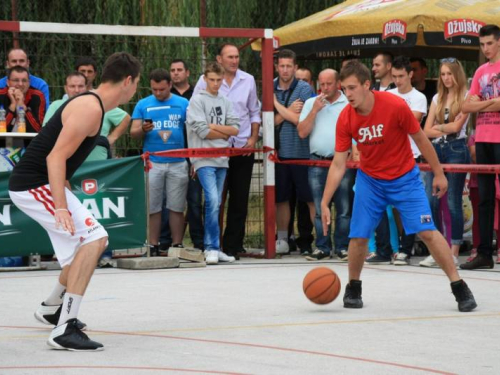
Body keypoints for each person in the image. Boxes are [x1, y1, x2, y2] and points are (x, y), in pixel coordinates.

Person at [8, 52, 141, 350]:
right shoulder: (90, 108)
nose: (135, 92)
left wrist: (65, 193)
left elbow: (58, 153)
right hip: (33, 184)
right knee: (95, 239)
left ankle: (51, 308)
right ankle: (63, 327)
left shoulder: (92, 105)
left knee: (86, 248)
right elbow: (55, 156)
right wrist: (60, 206)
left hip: (40, 182)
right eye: (136, 85)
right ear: (128, 81)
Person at [320, 61, 476, 312]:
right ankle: (353, 287)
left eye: (352, 88)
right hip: (370, 180)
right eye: (344, 89)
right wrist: (325, 201)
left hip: (404, 178)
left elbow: (421, 139)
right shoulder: (345, 118)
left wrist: (438, 173)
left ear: (366, 85)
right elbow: (339, 164)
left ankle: (459, 286)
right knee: (358, 235)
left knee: (427, 232)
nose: (347, 94)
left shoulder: (393, 106)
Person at [193, 44, 261, 258]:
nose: (234, 60)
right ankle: (211, 245)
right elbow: (198, 120)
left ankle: (232, 245)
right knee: (213, 200)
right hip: (211, 151)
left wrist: (252, 138)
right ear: (219, 59)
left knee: (239, 199)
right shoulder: (203, 85)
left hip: (241, 147)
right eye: (230, 57)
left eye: (237, 56)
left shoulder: (248, 80)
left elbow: (253, 113)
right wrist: (217, 131)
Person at [130, 69, 189, 256]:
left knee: (177, 206)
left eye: (162, 89)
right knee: (153, 206)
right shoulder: (143, 104)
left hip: (178, 161)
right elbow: (133, 133)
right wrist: (143, 130)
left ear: (170, 85)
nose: (158, 93)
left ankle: (177, 244)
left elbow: (194, 129)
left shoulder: (183, 103)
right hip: (153, 162)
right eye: (154, 89)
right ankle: (153, 245)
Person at [297, 69, 354, 261]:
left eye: (329, 84)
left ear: (338, 83)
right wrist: (314, 111)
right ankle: (322, 247)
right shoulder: (311, 103)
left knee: (344, 207)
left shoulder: (348, 103)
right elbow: (302, 132)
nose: (325, 88)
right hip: (317, 162)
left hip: (343, 162)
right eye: (321, 84)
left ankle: (342, 247)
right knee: (320, 206)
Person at [187, 62, 239, 264]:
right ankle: (210, 247)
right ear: (205, 79)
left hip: (221, 159)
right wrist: (222, 131)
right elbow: (202, 131)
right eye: (212, 80)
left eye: (219, 80)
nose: (216, 83)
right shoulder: (196, 101)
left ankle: (215, 247)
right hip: (203, 158)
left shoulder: (226, 101)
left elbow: (235, 128)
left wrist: (214, 126)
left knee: (216, 203)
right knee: (212, 200)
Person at [420, 58, 470, 267]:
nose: (446, 78)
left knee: (452, 202)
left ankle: (454, 253)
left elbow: (457, 128)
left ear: (457, 74)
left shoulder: (467, 96)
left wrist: (441, 126)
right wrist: (446, 126)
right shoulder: (436, 98)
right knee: (431, 201)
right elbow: (425, 131)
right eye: (443, 74)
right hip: (436, 150)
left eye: (450, 73)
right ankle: (438, 251)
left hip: (457, 149)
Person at [460, 24, 500, 270]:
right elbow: (465, 107)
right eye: (482, 44)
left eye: (489, 43)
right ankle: (484, 253)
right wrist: (492, 103)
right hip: (483, 138)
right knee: (484, 198)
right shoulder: (480, 71)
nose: (485, 48)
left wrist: (481, 103)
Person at [273, 49, 315, 255]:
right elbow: (268, 123)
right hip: (279, 154)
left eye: (289, 65)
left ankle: (310, 239)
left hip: (302, 152)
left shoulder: (304, 88)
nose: (285, 69)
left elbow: (301, 120)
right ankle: (282, 239)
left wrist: (275, 105)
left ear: (295, 67)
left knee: (307, 198)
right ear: (276, 67)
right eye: (282, 65)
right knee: (281, 198)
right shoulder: (270, 86)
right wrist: (287, 110)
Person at [387, 56, 428, 265]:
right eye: (394, 76)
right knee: (394, 207)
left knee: (409, 205)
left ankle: (406, 247)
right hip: (389, 156)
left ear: (410, 74)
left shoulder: (419, 97)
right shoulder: (387, 94)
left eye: (401, 76)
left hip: (411, 156)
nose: (397, 81)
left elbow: (410, 123)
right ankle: (398, 245)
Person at [167, 58, 203, 250]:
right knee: (170, 203)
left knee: (195, 201)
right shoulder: (165, 94)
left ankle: (199, 242)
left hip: (195, 152)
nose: (176, 73)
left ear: (187, 73)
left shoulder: (197, 94)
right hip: (172, 156)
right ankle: (167, 242)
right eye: (172, 70)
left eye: (179, 69)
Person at [0, 66, 46, 148]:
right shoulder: (1, 95)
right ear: (8, 82)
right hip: (2, 145)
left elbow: (37, 130)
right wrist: (13, 105)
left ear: (29, 82)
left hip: (29, 145)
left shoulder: (37, 96)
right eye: (16, 80)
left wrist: (22, 106)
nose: (20, 84)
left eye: (24, 80)